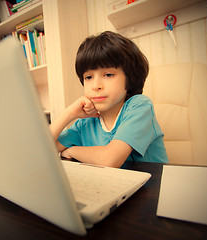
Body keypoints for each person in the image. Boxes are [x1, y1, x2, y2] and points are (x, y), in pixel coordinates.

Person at [50, 31, 168, 168]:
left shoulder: (139, 106)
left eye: (108, 74)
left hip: (152, 187)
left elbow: (110, 159)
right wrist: (69, 113)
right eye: (88, 77)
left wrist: (72, 150)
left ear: (130, 78)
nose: (96, 86)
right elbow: (42, 150)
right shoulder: (86, 122)